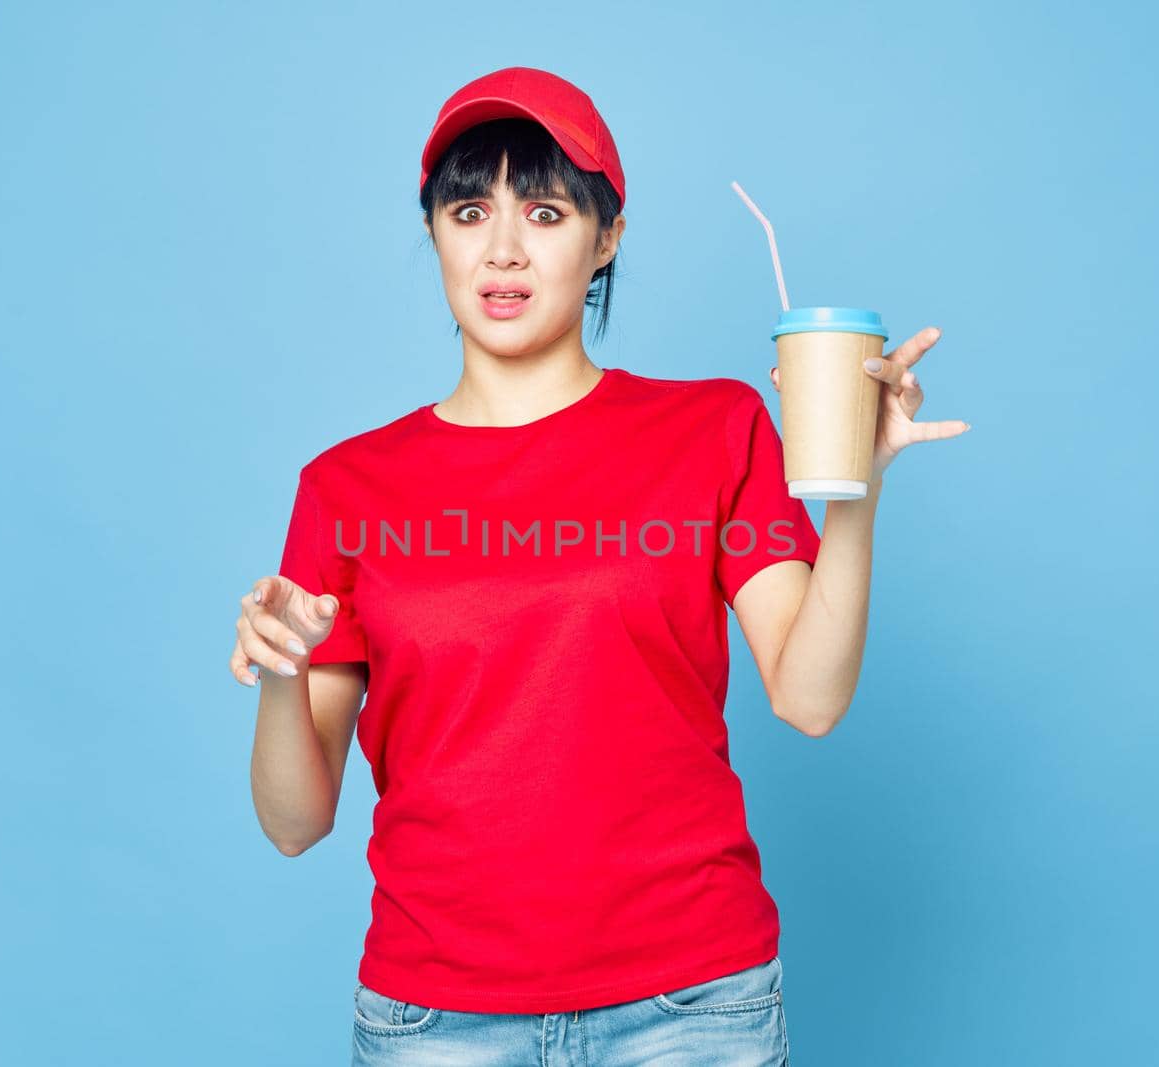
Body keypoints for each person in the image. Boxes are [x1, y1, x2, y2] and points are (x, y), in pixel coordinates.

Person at [230, 66, 969, 1066]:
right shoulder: (346, 486)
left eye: (543, 211)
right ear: (436, 233)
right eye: (468, 209)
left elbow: (808, 695)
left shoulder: (713, 429)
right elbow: (293, 822)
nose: (502, 248)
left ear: (605, 235)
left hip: (691, 1006)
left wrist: (855, 495)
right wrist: (282, 670)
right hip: (436, 1017)